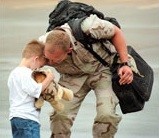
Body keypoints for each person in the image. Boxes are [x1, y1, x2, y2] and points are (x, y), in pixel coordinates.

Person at [39, 14, 134, 138]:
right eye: (48, 59)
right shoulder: (41, 45)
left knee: (106, 115)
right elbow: (26, 65)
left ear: (69, 50)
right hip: (71, 76)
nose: (50, 62)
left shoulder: (90, 27)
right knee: (59, 115)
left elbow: (117, 32)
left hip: (102, 70)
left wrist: (125, 64)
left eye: (55, 60)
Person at [8, 40, 54, 138]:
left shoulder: (14, 73)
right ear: (35, 59)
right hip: (27, 119)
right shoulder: (26, 73)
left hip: (15, 117)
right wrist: (49, 78)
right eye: (40, 66)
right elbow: (36, 90)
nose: (37, 70)